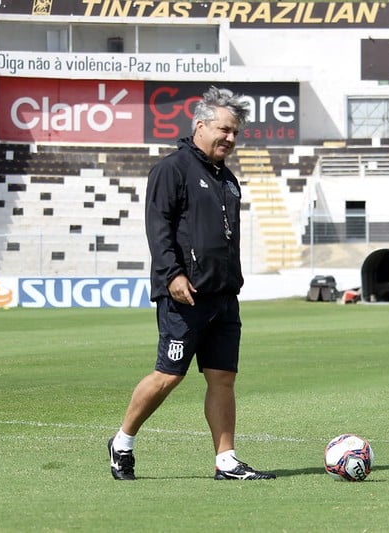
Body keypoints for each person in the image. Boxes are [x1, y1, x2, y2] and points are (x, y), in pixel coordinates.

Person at [108, 86, 276, 481]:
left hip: (223, 295)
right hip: (185, 295)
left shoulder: (228, 179)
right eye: (224, 129)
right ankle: (122, 441)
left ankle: (226, 460)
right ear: (200, 126)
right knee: (169, 375)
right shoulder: (172, 169)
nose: (230, 138)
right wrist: (172, 275)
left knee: (223, 378)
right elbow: (158, 227)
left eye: (235, 133)